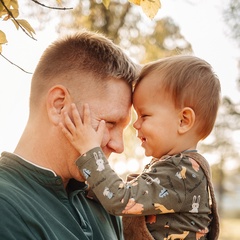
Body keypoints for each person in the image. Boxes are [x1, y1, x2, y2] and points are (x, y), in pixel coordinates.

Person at [60, 55, 221, 240]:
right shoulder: (174, 168)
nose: (136, 125)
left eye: (144, 115)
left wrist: (90, 150)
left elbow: (121, 199)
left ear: (183, 121)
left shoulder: (183, 172)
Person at [0, 30, 139, 239]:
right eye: (110, 123)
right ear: (59, 106)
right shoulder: (6, 206)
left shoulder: (104, 203)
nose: (119, 146)